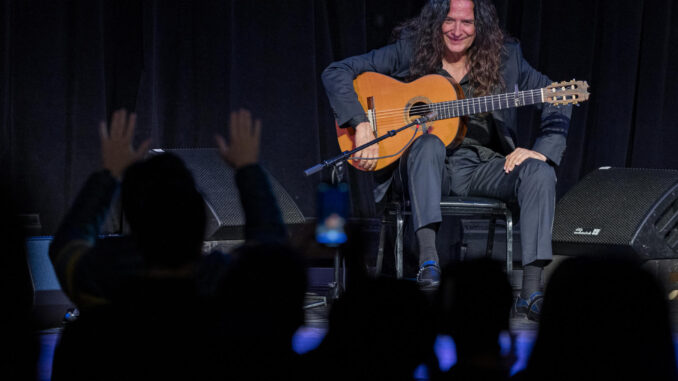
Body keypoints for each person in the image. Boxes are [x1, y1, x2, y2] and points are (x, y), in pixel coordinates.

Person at [322, 0, 571, 316]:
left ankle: (531, 290)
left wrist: (542, 151)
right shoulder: (411, 50)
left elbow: (557, 97)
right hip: (427, 169)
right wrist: (360, 125)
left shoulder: (506, 57)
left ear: (479, 25)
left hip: (487, 167)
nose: (457, 31)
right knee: (428, 143)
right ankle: (429, 263)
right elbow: (336, 72)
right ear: (436, 21)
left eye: (466, 22)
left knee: (539, 171)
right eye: (449, 21)